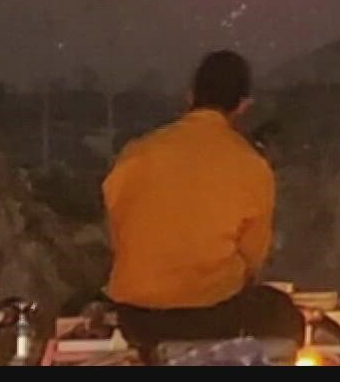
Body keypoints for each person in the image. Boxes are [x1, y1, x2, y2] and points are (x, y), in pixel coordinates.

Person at [103, 51, 301, 355]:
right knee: (282, 313)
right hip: (210, 315)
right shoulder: (248, 163)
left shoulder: (137, 153)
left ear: (190, 96)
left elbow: (118, 233)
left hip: (137, 319)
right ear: (244, 105)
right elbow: (253, 257)